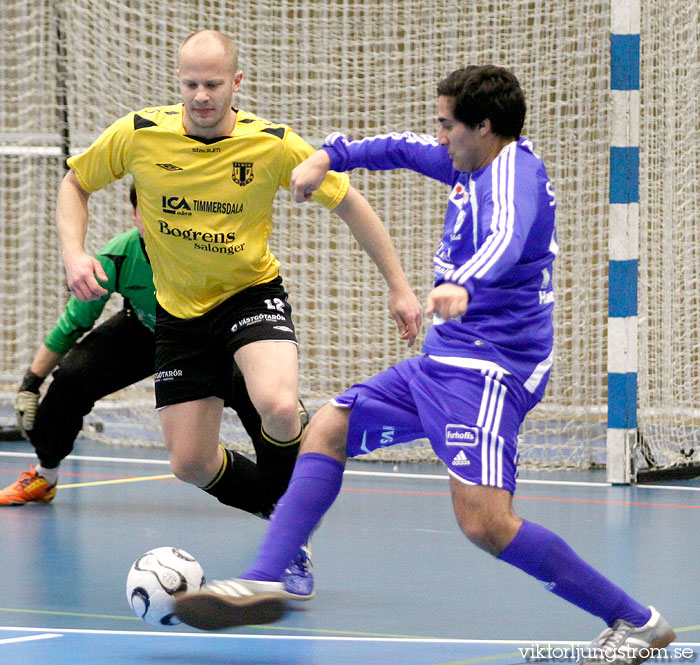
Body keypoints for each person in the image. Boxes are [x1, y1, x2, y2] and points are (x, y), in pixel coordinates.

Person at [172, 65, 676, 662]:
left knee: (486, 524)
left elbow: (507, 237)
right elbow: (399, 149)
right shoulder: (473, 162)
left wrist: (464, 282)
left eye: (447, 125)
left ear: (484, 127)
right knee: (329, 427)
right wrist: (330, 157)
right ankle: (265, 576)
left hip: (490, 369)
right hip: (445, 361)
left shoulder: (514, 174)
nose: (438, 136)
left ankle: (636, 620)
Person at [54, 31, 421, 601]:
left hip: (249, 295)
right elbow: (76, 182)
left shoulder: (270, 145)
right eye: (190, 84)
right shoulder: (140, 135)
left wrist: (399, 288)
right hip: (179, 316)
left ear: (237, 83)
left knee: (277, 404)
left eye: (213, 84)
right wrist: (75, 252)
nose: (201, 96)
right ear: (178, 83)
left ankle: (289, 519)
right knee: (190, 464)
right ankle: (285, 521)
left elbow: (350, 202)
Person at [0, 184, 310, 595]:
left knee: (265, 406)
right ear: (134, 215)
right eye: (147, 211)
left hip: (210, 339)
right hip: (144, 332)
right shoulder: (118, 256)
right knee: (72, 379)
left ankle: (287, 517)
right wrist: (30, 384)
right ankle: (45, 474)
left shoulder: (207, 248)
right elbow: (75, 321)